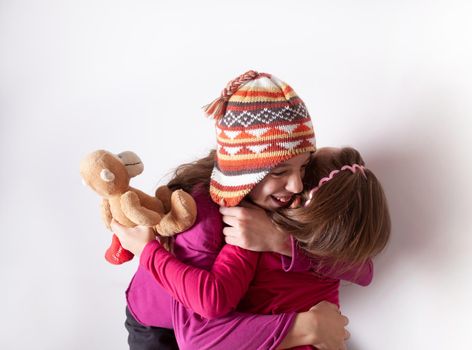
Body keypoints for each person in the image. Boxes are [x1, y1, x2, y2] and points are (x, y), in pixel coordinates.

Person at [113, 71, 381, 350]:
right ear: (246, 171)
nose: (298, 184)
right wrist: (147, 252)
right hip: (157, 324)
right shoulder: (205, 217)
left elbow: (363, 270)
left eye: (304, 167)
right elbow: (201, 324)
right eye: (280, 171)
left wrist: (282, 242)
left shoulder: (270, 207)